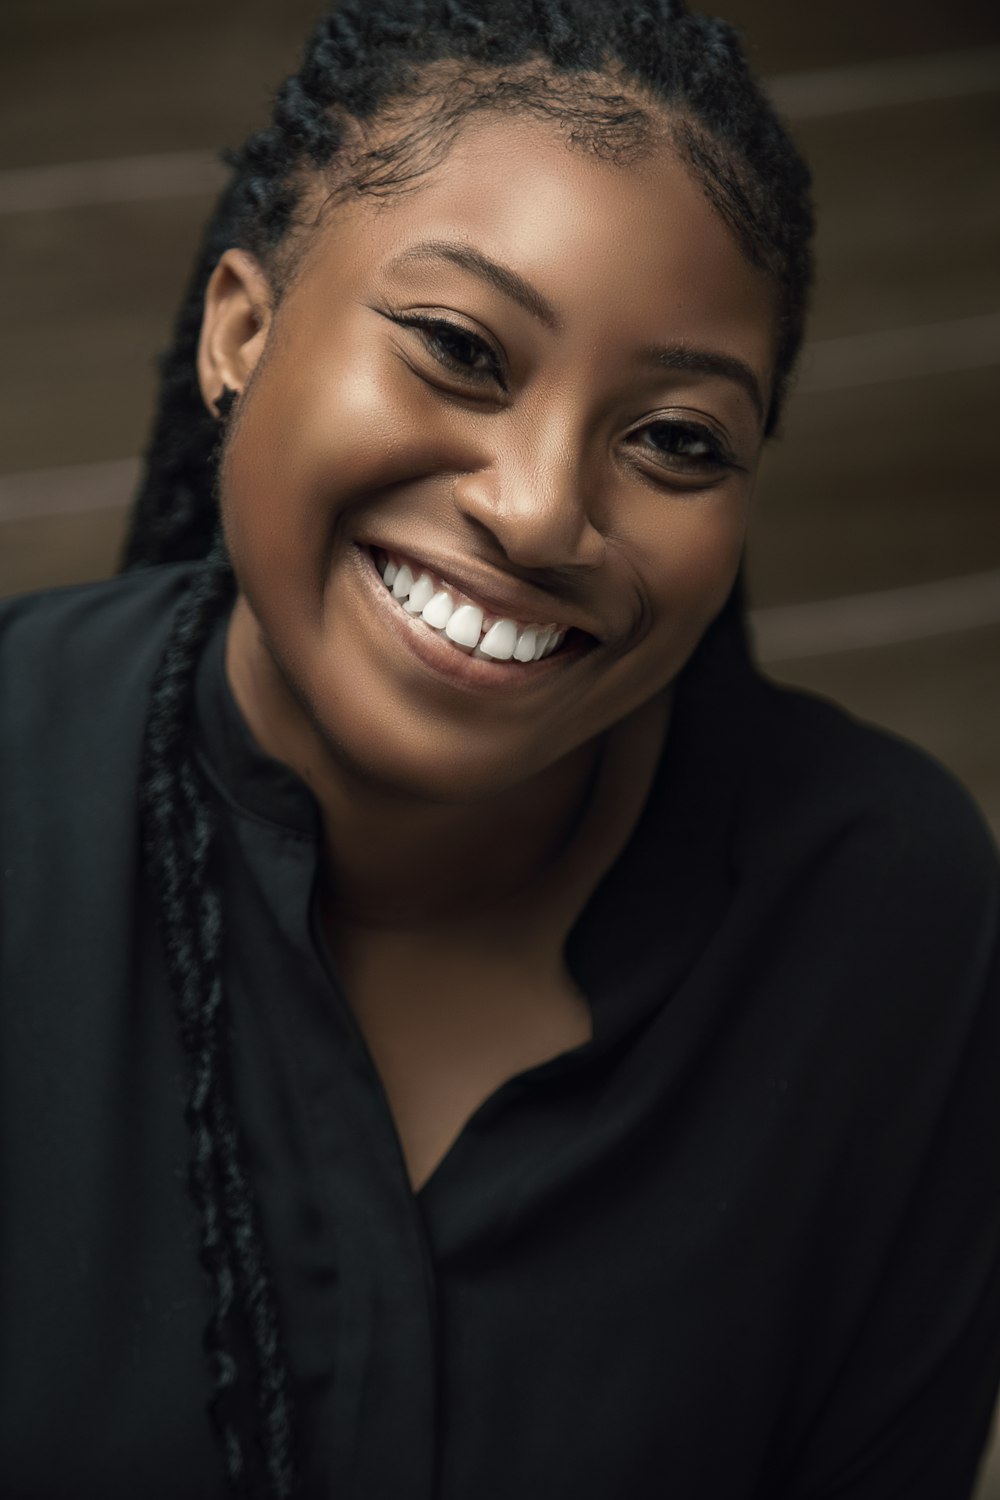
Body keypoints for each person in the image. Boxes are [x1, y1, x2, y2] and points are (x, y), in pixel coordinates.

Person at [1, 1, 999, 1496]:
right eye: (462, 348)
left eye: (674, 439)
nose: (541, 511)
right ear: (243, 331)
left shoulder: (891, 918)